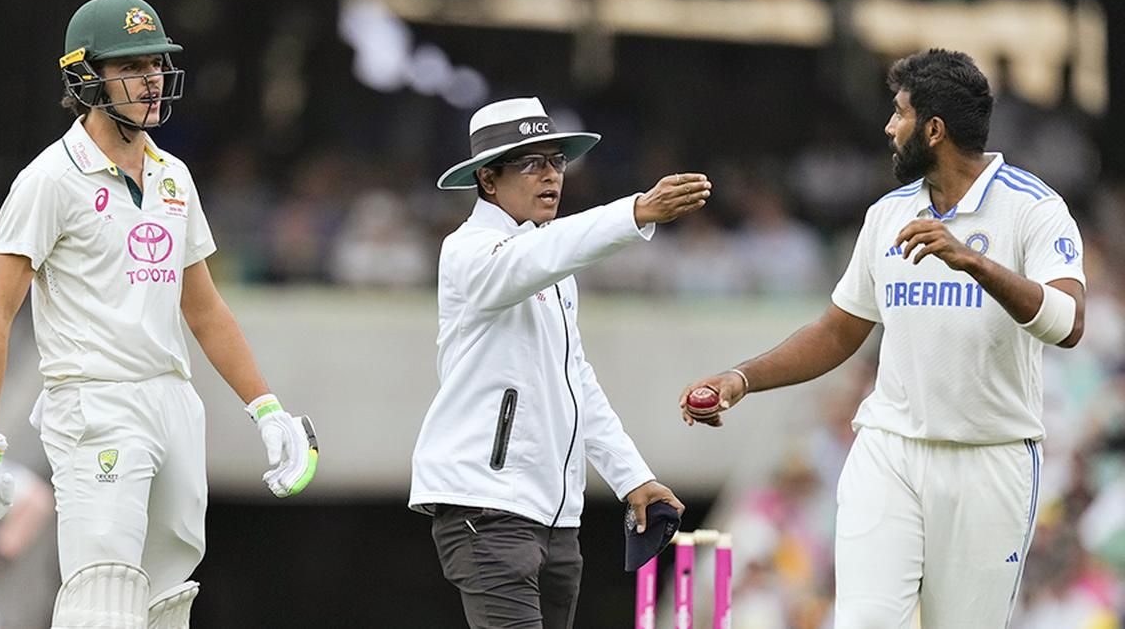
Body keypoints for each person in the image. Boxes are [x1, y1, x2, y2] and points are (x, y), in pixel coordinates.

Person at [0, 0, 318, 629]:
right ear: (86, 77)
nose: (153, 80)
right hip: (95, 404)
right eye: (133, 66)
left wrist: (266, 408)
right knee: (103, 594)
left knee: (167, 598)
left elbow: (205, 309)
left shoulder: (175, 177)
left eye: (157, 65)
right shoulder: (49, 180)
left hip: (172, 401)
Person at [680, 49, 1087, 629]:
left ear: (934, 129)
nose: (889, 128)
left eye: (899, 114)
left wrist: (972, 262)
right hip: (889, 451)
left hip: (991, 461)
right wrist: (741, 378)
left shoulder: (1034, 209)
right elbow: (837, 330)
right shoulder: (886, 216)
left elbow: (1068, 322)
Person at [410, 96, 707, 628]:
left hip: (555, 519)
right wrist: (634, 211)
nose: (552, 176)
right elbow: (530, 260)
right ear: (488, 181)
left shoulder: (551, 261)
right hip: (487, 509)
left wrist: (632, 478)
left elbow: (576, 382)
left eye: (557, 161)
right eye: (531, 163)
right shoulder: (467, 249)